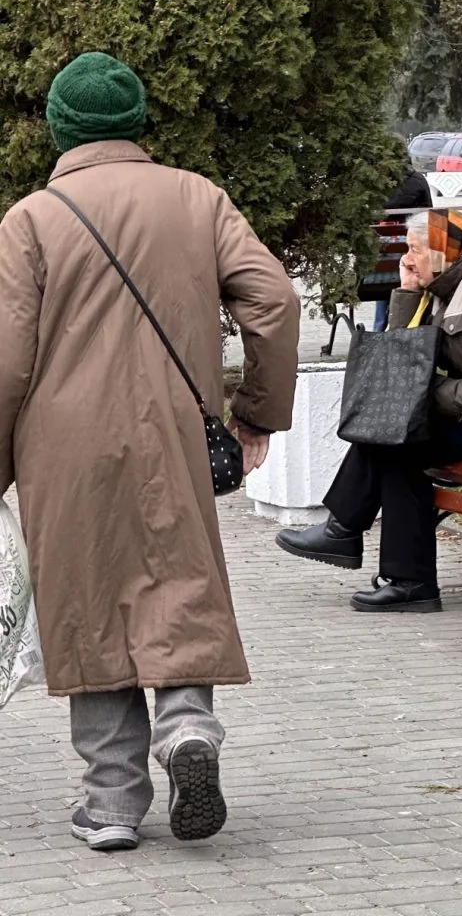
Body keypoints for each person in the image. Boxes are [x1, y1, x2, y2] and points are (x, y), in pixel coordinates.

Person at [0, 52, 300, 850]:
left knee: (89, 605)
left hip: (62, 448)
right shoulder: (198, 198)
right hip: (175, 428)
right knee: (176, 583)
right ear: (135, 123)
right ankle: (188, 730)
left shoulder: (30, 219)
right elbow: (272, 297)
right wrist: (258, 413)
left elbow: (6, 360)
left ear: (61, 126)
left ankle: (111, 807)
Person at [276, 208, 462, 612]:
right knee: (396, 434)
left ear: (443, 250)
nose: (407, 259)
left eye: (415, 250)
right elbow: (401, 361)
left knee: (401, 441)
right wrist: (410, 292)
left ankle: (363, 545)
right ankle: (386, 565)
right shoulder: (448, 280)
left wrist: (417, 392)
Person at [373, 150, 433, 332]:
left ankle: (379, 326)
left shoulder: (373, 183)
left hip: (374, 277)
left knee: (383, 261)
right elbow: (429, 216)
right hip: (412, 266)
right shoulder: (419, 181)